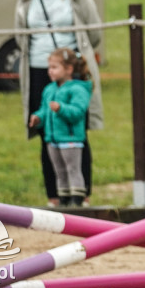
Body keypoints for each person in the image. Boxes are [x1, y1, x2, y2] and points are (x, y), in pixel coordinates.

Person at [15, 0, 103, 206]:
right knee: (47, 130)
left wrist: (70, 62)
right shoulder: (26, 1)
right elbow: (20, 36)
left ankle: (82, 194)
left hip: (71, 72)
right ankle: (55, 196)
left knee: (77, 128)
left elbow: (95, 33)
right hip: (38, 71)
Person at [28, 48, 93, 207]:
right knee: (59, 171)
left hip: (70, 139)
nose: (50, 71)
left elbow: (78, 112)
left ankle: (78, 200)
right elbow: (45, 109)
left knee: (73, 169)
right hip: (52, 139)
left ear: (69, 69)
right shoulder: (49, 89)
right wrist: (38, 117)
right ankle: (63, 199)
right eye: (49, 67)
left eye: (54, 67)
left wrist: (61, 109)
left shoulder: (78, 89)